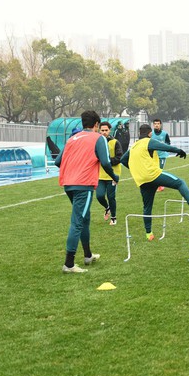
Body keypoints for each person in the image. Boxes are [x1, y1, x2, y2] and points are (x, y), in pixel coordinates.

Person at [55, 110, 119, 274]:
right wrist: (114, 176)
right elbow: (105, 162)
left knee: (84, 218)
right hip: (84, 185)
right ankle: (69, 264)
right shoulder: (99, 138)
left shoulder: (72, 139)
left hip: (68, 184)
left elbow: (57, 161)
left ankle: (88, 256)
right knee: (78, 221)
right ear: (97, 124)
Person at [121, 124, 189, 241]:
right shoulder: (148, 141)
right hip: (153, 175)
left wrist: (136, 169)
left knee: (147, 207)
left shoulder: (133, 146)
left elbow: (123, 160)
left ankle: (149, 233)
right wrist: (179, 151)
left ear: (139, 133)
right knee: (180, 183)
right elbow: (164, 147)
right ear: (149, 133)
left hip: (141, 180)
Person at [95, 121, 123, 226]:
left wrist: (107, 161)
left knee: (111, 197)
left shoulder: (115, 142)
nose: (104, 132)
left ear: (109, 130)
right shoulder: (97, 142)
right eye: (102, 130)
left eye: (106, 130)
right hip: (100, 175)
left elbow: (119, 158)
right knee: (99, 195)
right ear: (99, 131)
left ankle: (114, 218)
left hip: (112, 175)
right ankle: (107, 208)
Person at [151, 118, 171, 192]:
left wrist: (164, 147)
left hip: (162, 155)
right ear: (153, 125)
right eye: (155, 124)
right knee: (154, 170)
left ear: (160, 125)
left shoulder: (164, 134)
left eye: (158, 124)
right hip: (153, 156)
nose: (156, 125)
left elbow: (168, 143)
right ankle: (156, 185)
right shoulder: (151, 134)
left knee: (160, 170)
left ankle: (161, 186)